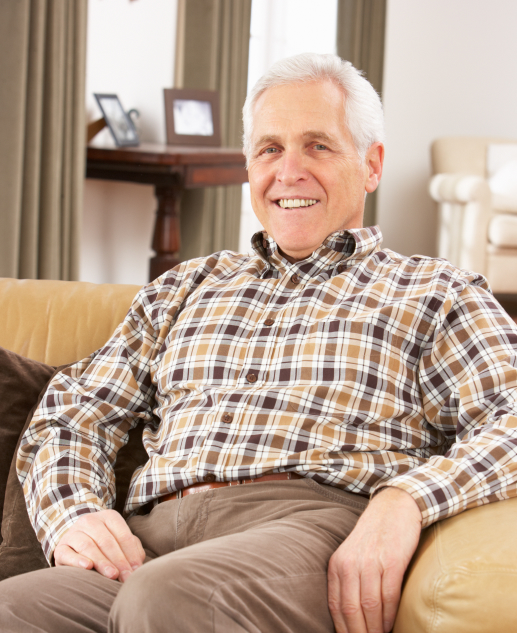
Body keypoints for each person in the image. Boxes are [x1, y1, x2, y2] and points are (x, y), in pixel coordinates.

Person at [2, 52, 517, 633]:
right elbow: (74, 412)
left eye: (318, 145)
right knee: (12, 610)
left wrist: (407, 499)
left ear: (370, 165)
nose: (289, 170)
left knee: (169, 600)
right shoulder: (184, 287)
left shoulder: (435, 291)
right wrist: (73, 512)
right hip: (151, 539)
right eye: (269, 149)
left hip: (307, 532)